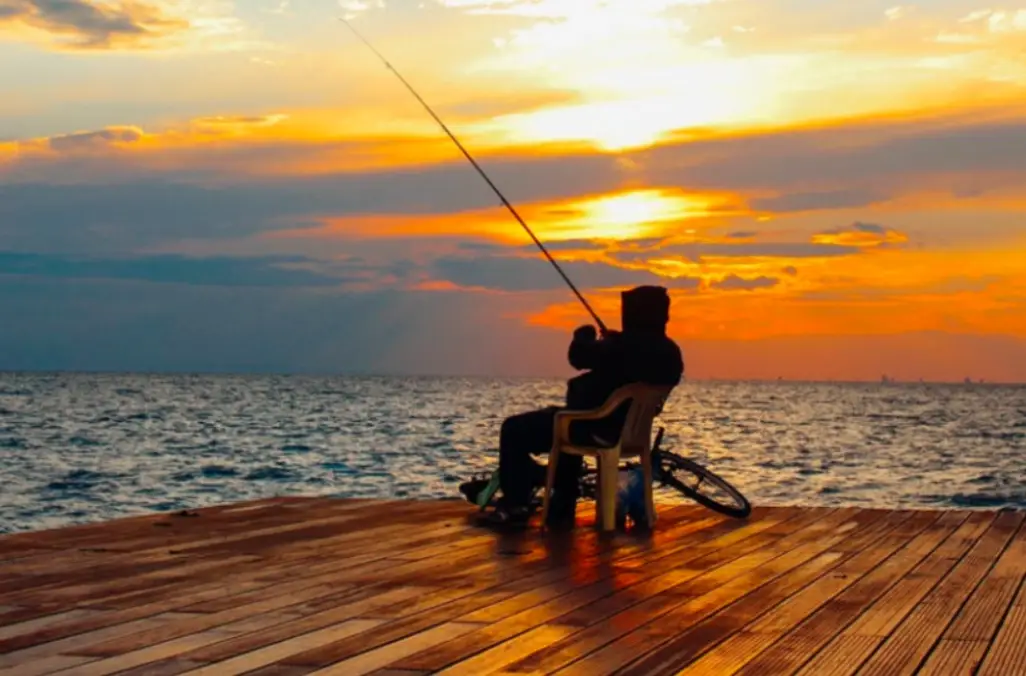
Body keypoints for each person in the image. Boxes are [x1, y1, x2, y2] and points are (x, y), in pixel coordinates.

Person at [461, 285, 684, 528]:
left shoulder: (621, 348)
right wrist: (615, 341)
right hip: (626, 433)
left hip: (594, 428)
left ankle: (516, 505)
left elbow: (578, 356)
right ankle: (560, 504)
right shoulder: (670, 353)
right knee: (566, 419)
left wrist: (584, 334)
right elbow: (631, 356)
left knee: (514, 429)